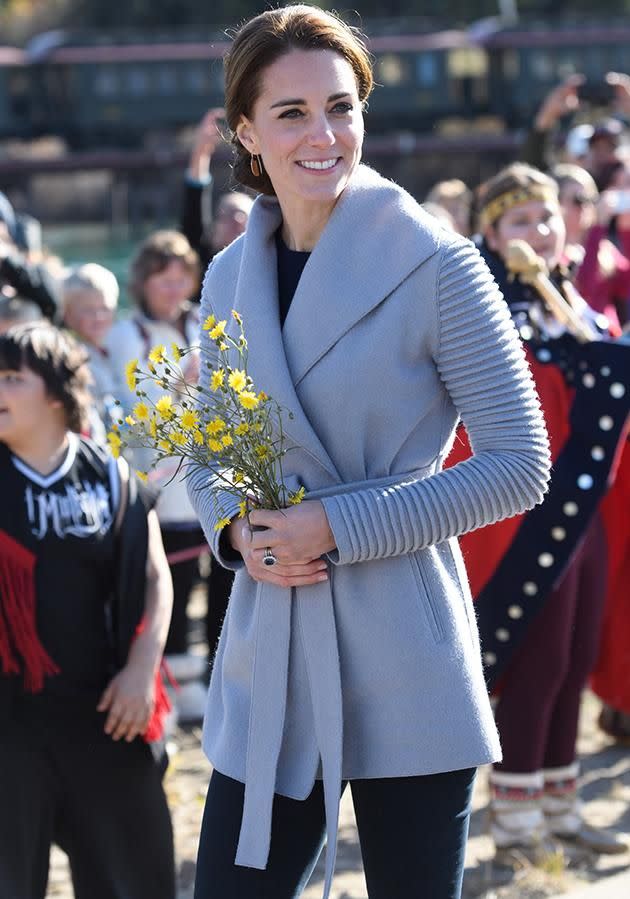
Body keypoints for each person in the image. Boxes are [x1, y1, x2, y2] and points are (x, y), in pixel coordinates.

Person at [186, 7, 551, 899]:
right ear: (246, 129)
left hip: (406, 649)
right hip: (272, 648)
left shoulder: (439, 262)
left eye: (342, 107)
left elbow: (520, 460)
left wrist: (334, 525)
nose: (324, 134)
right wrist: (238, 532)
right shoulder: (227, 274)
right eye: (292, 112)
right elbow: (207, 452)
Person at [450, 162, 630, 861]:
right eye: (521, 221)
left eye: (548, 217)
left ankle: (560, 805)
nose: (540, 231)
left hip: (586, 508)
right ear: (492, 234)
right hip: (524, 510)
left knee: (576, 654)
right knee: (538, 661)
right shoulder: (492, 308)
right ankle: (519, 825)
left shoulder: (571, 302)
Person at [0, 322, 175, 899]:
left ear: (54, 392)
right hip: (11, 727)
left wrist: (142, 671)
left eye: (9, 378)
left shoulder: (111, 476)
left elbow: (155, 576)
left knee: (133, 883)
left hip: (109, 714)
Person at [107, 230, 209, 722]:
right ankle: (168, 686)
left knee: (223, 585)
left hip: (213, 481)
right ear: (143, 283)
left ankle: (210, 680)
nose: (173, 289)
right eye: (162, 280)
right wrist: (177, 382)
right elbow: (133, 410)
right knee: (171, 581)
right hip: (162, 485)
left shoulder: (203, 324)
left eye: (181, 278)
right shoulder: (128, 335)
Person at [181, 107, 254, 271]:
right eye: (228, 214)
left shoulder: (270, 263)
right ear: (214, 228)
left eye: (244, 215)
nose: (237, 220)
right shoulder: (202, 265)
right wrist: (201, 152)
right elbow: (194, 208)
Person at [62, 262, 121, 441]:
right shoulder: (72, 357)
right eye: (88, 310)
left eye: (104, 308)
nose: (99, 317)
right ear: (67, 314)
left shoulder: (110, 349)